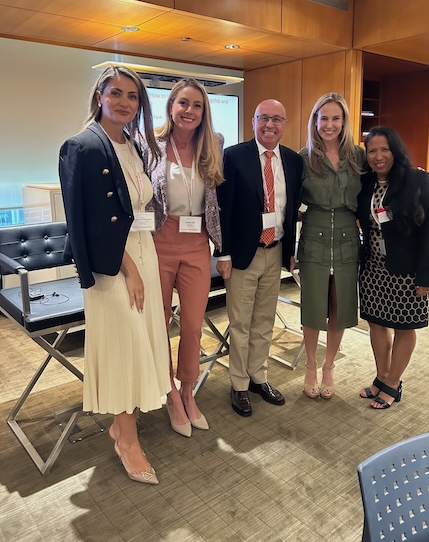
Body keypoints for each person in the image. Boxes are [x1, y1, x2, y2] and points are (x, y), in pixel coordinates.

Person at [59, 66, 171, 484]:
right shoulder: (82, 146)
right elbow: (86, 221)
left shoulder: (133, 145)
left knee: (142, 344)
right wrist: (130, 270)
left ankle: (122, 427)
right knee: (125, 346)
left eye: (133, 96)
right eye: (116, 93)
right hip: (112, 265)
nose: (124, 102)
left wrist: (146, 263)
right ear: (100, 95)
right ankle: (126, 438)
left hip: (144, 253)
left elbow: (138, 209)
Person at [138, 78, 223, 437]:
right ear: (170, 106)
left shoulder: (213, 145)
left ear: (204, 113)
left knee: (192, 324)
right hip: (159, 240)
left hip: (197, 243)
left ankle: (188, 389)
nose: (190, 111)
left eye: (197, 105)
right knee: (158, 323)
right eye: (183, 103)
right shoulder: (149, 144)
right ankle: (169, 393)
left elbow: (217, 198)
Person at [216, 99, 302, 416]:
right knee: (240, 323)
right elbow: (223, 208)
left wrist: (291, 252)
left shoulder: (293, 161)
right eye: (264, 118)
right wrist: (222, 252)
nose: (270, 125)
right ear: (253, 121)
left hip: (276, 250)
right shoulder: (234, 157)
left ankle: (257, 377)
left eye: (277, 119)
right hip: (242, 254)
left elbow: (290, 211)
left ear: (285, 124)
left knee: (264, 321)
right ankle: (238, 384)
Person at [358, 126, 429, 409]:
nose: (378, 156)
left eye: (384, 149)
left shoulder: (417, 180)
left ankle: (393, 383)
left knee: (404, 326)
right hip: (373, 268)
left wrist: (426, 276)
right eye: (372, 151)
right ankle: (381, 377)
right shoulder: (366, 183)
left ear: (396, 150)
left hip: (407, 271)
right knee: (377, 323)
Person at [298, 93, 365, 399]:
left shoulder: (358, 156)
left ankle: (328, 366)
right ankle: (310, 365)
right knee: (313, 306)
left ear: (344, 121)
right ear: (315, 120)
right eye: (323, 118)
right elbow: (287, 204)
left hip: (348, 239)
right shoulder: (303, 158)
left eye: (335, 118)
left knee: (340, 306)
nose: (329, 124)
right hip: (314, 234)